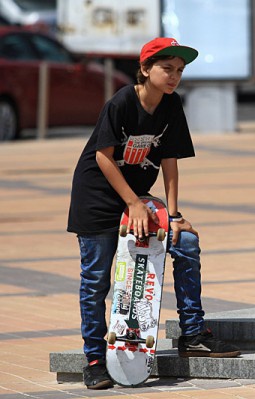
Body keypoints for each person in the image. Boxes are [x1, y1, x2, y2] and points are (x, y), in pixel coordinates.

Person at [67, 37, 241, 390]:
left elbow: (170, 161)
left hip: (137, 197)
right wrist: (133, 204)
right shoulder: (121, 102)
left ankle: (192, 333)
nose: (174, 76)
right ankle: (96, 360)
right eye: (166, 68)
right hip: (98, 198)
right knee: (97, 279)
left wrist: (173, 215)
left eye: (179, 70)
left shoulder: (171, 105)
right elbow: (103, 157)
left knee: (186, 241)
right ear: (145, 69)